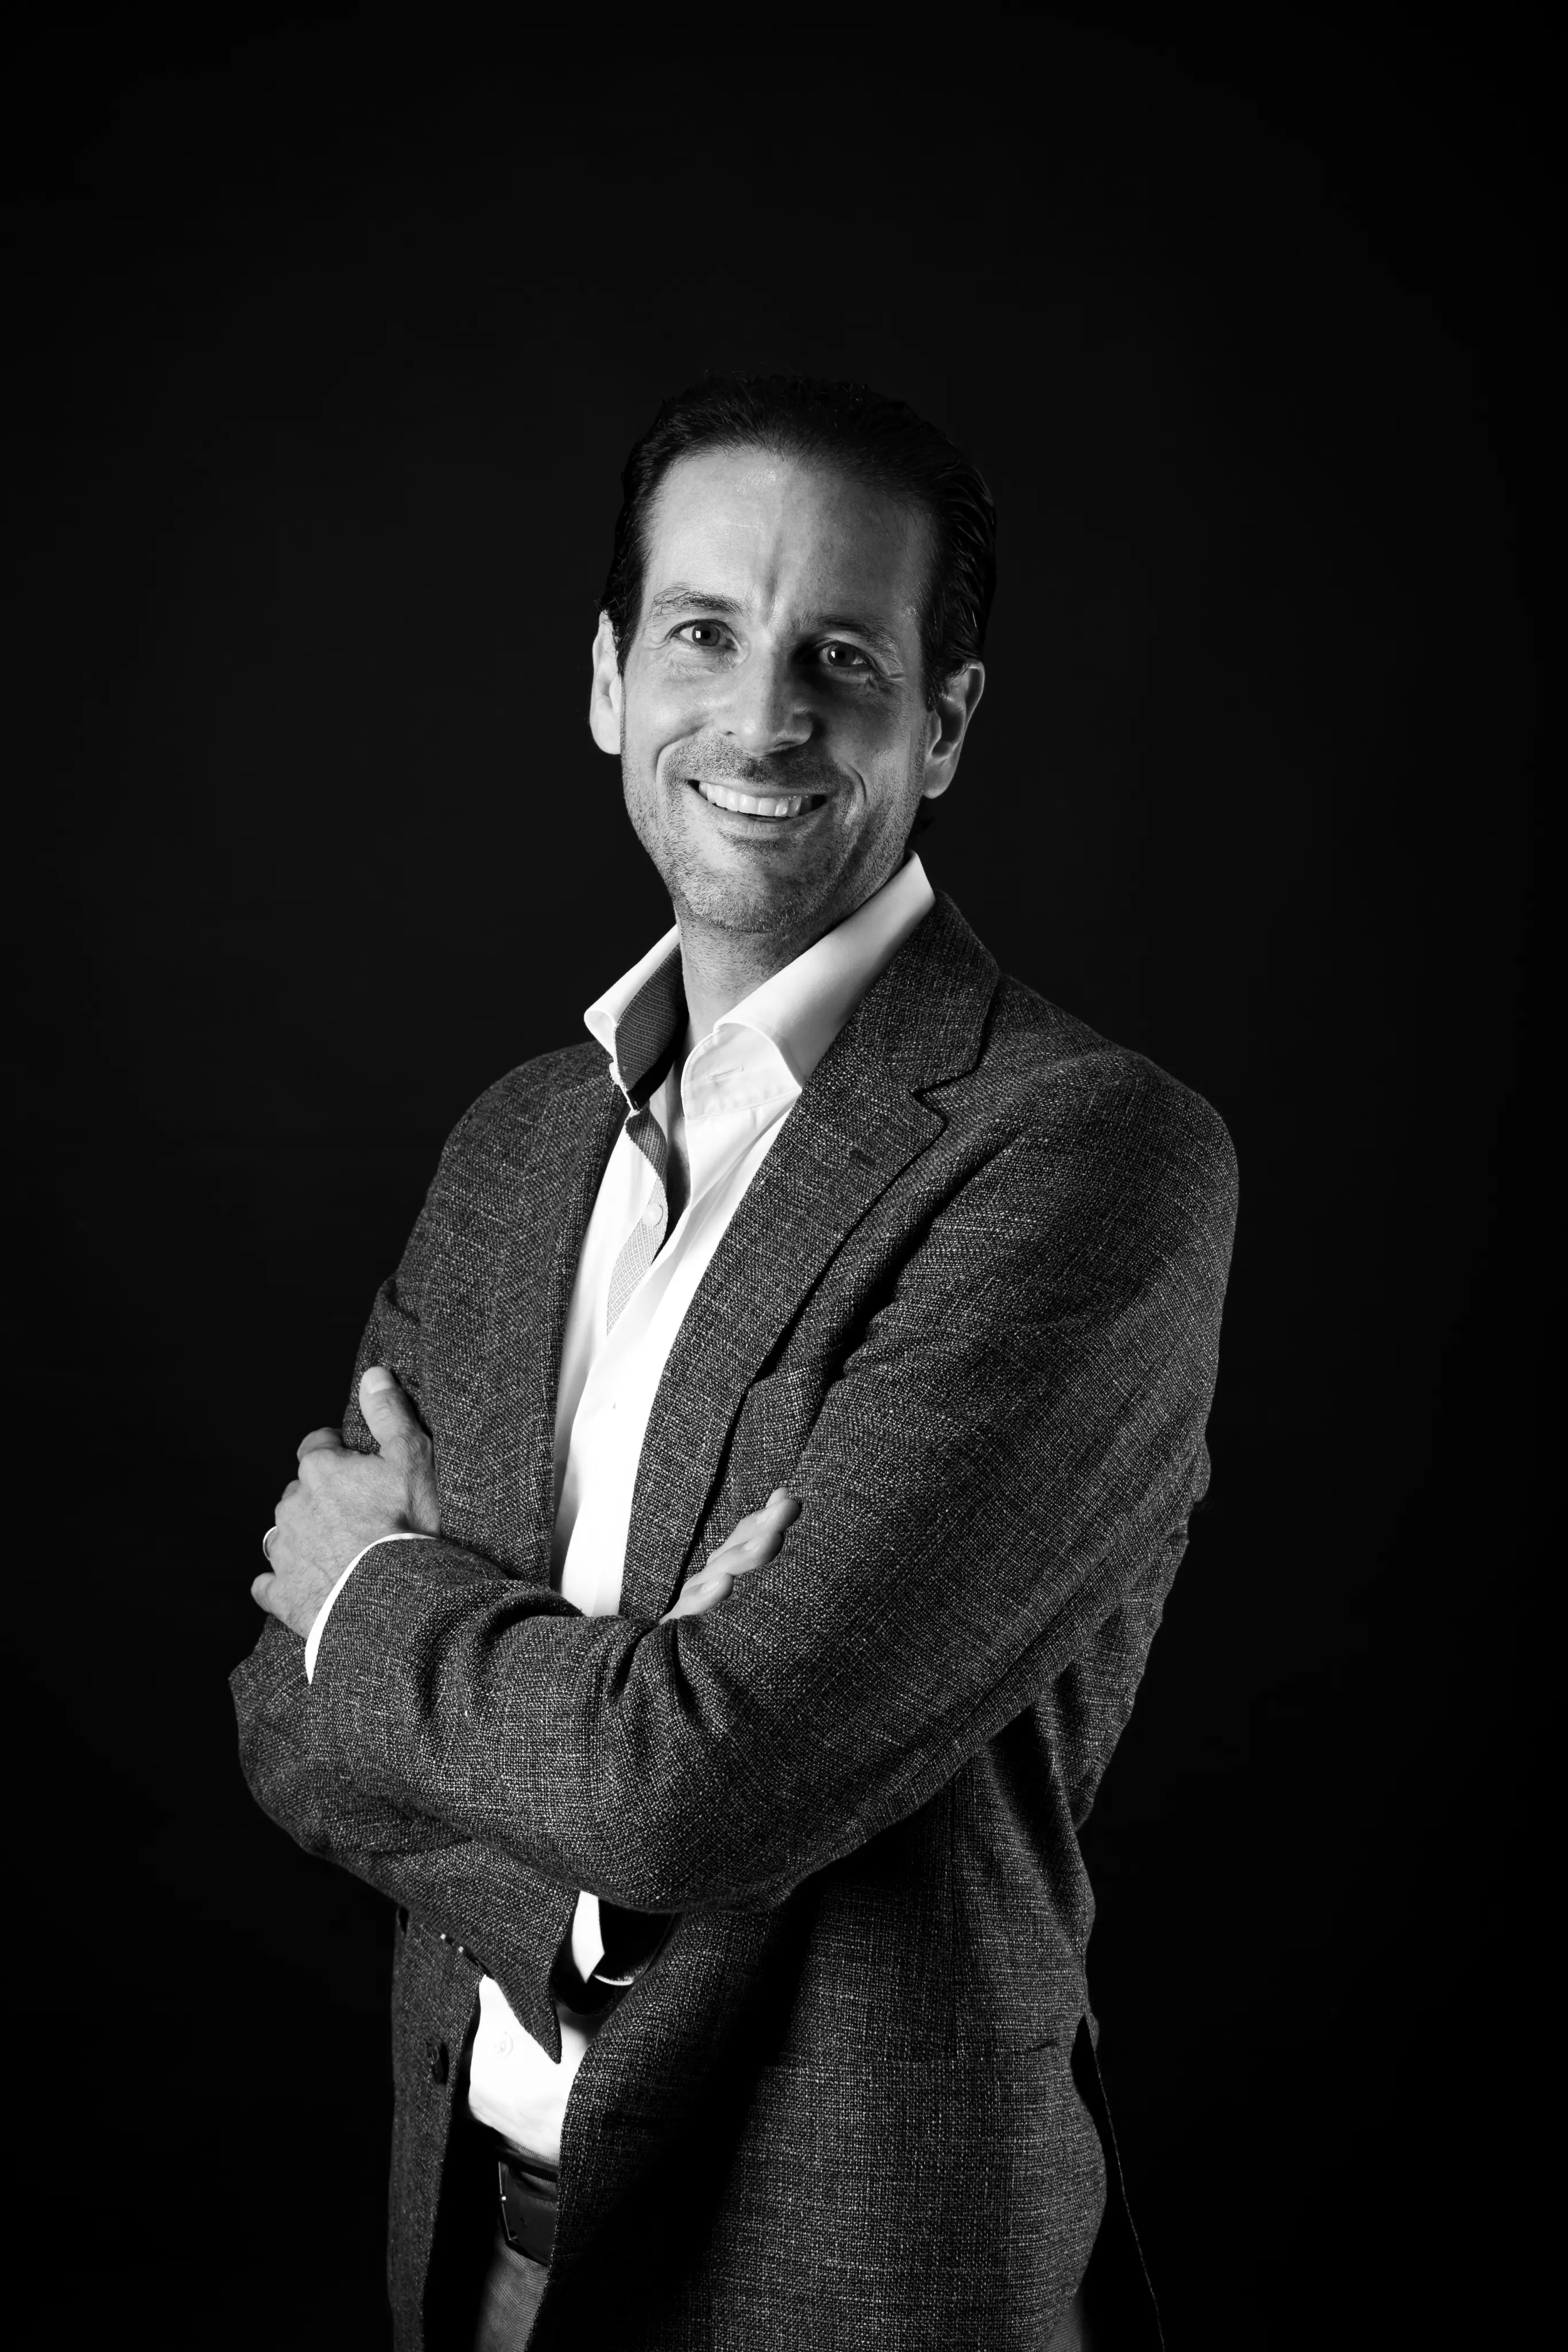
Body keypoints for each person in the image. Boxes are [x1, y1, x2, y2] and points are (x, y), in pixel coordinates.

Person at [233, 375, 1237, 2351]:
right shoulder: (520, 1145)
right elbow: (284, 1712)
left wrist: (385, 1601)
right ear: (610, 681)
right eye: (705, 633)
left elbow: (705, 1772)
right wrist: (599, 1845)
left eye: (841, 659)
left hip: (850, 2291)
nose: (764, 718)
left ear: (942, 725)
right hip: (473, 2257)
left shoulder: (1084, 1158)